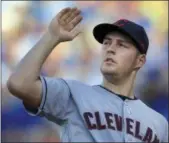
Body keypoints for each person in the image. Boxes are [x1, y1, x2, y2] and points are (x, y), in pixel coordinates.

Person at [7, 7, 168, 142]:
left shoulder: (158, 124)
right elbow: (19, 84)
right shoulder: (72, 93)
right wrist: (52, 37)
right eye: (106, 42)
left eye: (122, 45)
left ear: (140, 61)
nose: (110, 48)